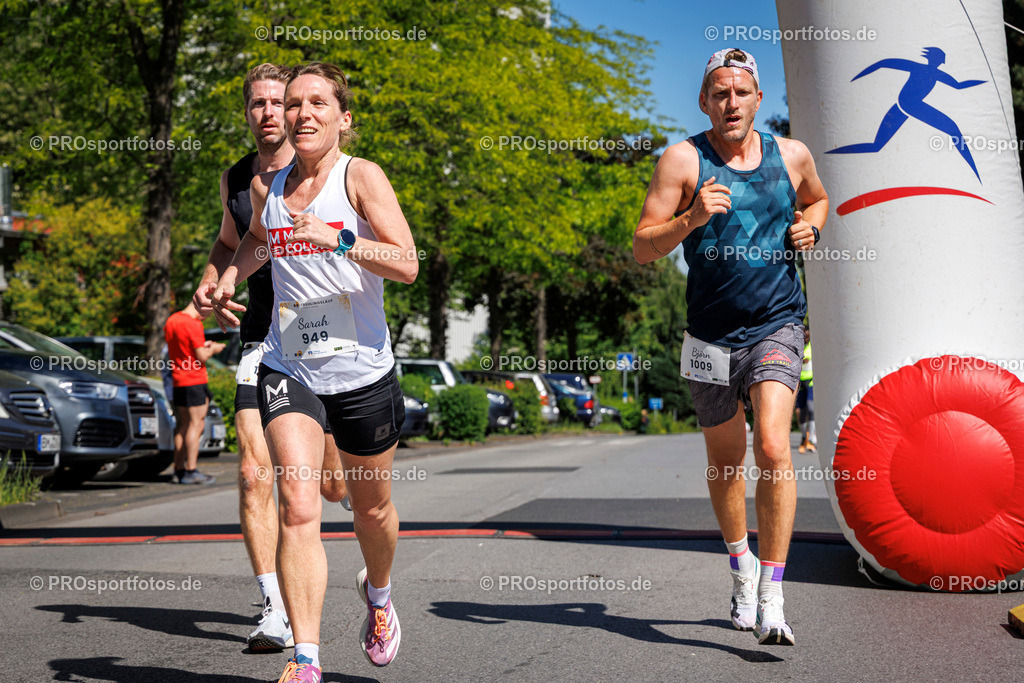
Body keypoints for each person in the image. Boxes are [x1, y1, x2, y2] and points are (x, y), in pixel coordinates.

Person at [212, 62, 418, 681]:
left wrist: (339, 239)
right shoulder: (266, 185)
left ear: (343, 119)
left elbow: (406, 263)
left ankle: (378, 597)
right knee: (299, 505)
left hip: (361, 371)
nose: (301, 113)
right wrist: (222, 280)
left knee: (369, 509)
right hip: (289, 364)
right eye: (294, 103)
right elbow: (255, 241)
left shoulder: (361, 177)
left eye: (317, 103)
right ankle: (307, 660)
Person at [633, 48, 829, 646]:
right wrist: (691, 218)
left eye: (741, 92)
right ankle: (740, 563)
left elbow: (819, 199)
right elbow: (643, 246)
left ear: (758, 100)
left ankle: (773, 593)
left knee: (773, 445)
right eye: (719, 92)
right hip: (709, 335)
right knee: (725, 460)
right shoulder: (683, 158)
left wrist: (812, 226)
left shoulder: (790, 155)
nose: (731, 102)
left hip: (777, 323)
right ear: (704, 101)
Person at [191, 63, 351, 653]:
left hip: (328, 336)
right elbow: (233, 240)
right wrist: (214, 280)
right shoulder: (238, 177)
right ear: (248, 112)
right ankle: (275, 605)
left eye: (276, 102)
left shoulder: (322, 169)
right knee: (256, 471)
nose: (267, 113)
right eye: (256, 103)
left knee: (333, 486)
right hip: (264, 336)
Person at [164, 303, 225, 485]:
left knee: (183, 426)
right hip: (194, 380)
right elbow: (202, 357)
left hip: (179, 380)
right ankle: (191, 470)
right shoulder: (193, 324)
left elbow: (185, 349)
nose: (207, 317)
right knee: (195, 425)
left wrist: (203, 345)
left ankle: (179, 469)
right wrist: (213, 348)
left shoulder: (171, 320)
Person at [796, 327, 816, 454]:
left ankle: (811, 439)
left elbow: (807, 360)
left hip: (810, 382)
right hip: (799, 382)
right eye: (804, 337)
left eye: (808, 337)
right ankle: (804, 436)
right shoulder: (797, 347)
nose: (806, 339)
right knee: (801, 412)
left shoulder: (811, 348)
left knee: (811, 408)